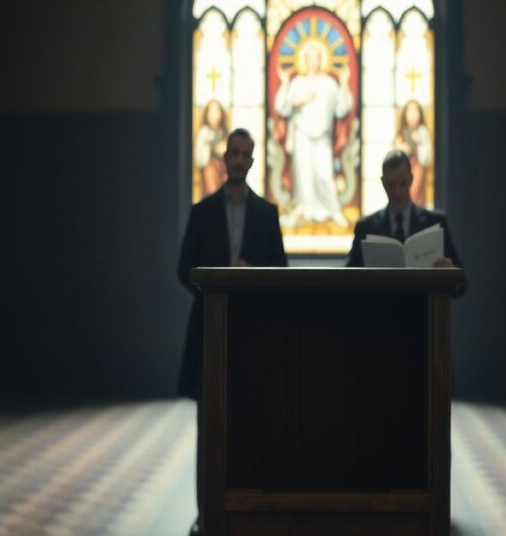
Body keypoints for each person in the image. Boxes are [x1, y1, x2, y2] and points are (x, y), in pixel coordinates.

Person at [176, 128, 288, 535]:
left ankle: (247, 505)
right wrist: (216, 284)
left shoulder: (267, 214)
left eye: (246, 155)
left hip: (252, 335)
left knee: (251, 422)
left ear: (254, 162)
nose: (239, 160)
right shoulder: (201, 212)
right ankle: (206, 512)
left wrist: (252, 275)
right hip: (210, 331)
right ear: (224, 159)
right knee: (209, 426)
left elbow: (281, 271)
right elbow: (182, 268)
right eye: (234, 154)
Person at [347, 149, 466, 296]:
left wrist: (449, 273)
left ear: (411, 179)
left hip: (425, 315)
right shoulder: (365, 227)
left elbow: (462, 286)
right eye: (391, 185)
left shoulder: (435, 223)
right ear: (383, 183)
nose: (397, 192)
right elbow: (348, 280)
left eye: (402, 184)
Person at [274, 41, 353, 228]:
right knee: (304, 174)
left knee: (324, 172)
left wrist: (343, 84)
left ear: (322, 60)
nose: (313, 61)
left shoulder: (329, 84)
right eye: (309, 58)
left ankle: (333, 210)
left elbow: (341, 109)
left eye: (316, 57)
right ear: (305, 60)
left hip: (322, 136)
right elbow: (282, 108)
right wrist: (292, 94)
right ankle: (304, 209)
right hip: (302, 134)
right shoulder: (297, 83)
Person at [394, 100, 432, 207]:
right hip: (403, 169)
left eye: (415, 110)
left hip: (417, 168)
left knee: (415, 193)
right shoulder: (402, 131)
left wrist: (419, 143)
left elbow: (426, 157)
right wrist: (400, 148)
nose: (413, 114)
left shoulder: (422, 131)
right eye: (410, 110)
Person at [194, 99, 228, 197]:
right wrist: (213, 149)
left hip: (223, 171)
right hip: (209, 172)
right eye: (212, 111)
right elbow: (200, 160)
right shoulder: (204, 133)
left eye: (217, 111)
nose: (214, 115)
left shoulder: (223, 132)